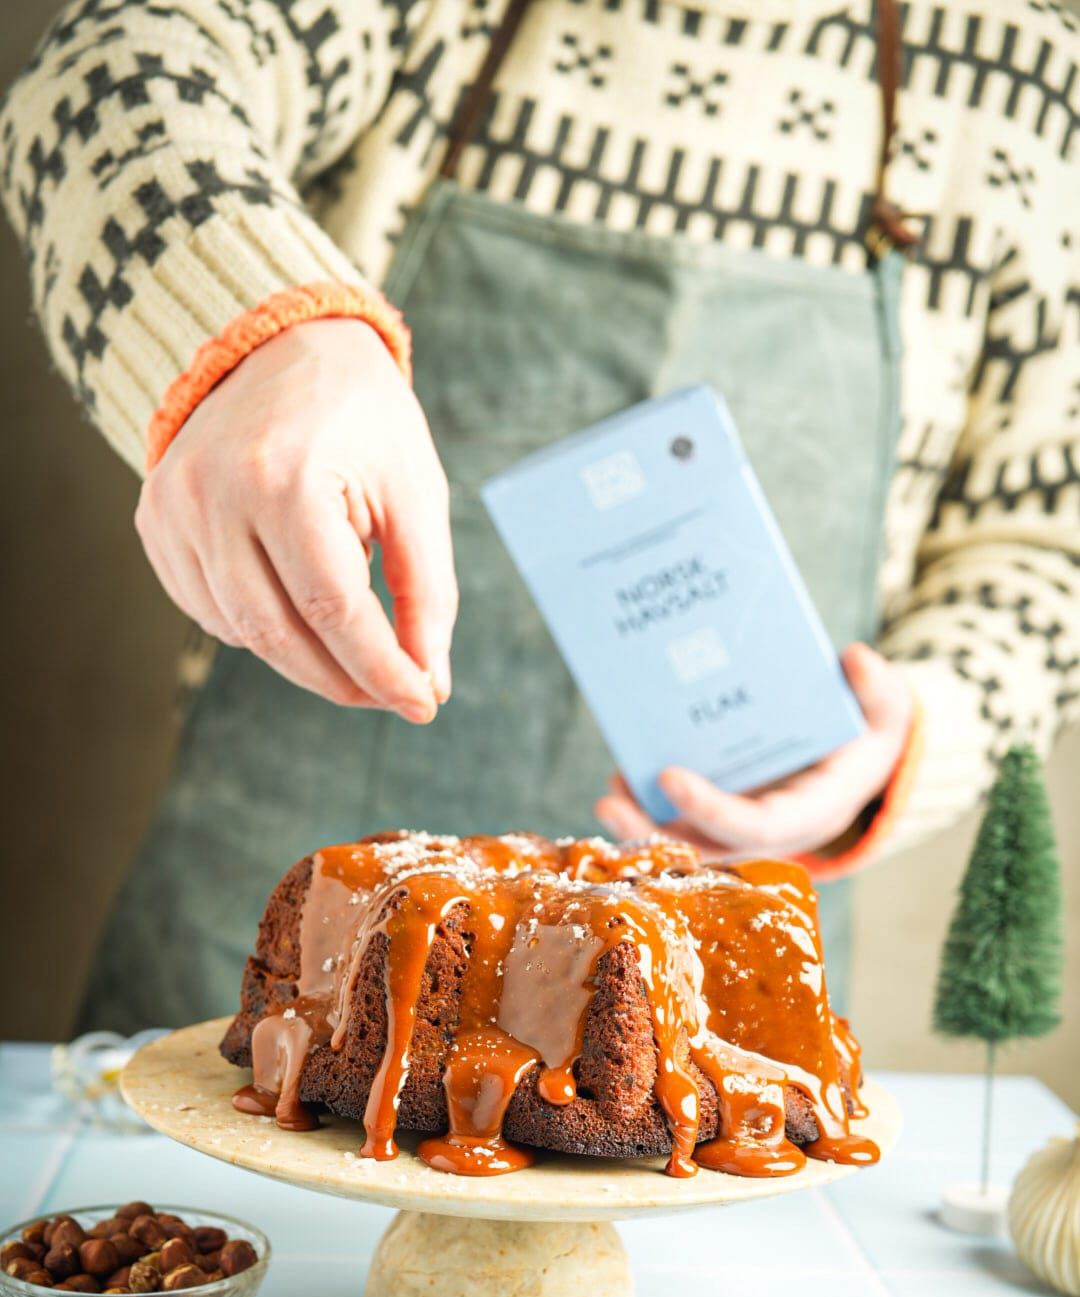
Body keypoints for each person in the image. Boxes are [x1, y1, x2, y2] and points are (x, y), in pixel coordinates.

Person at [2, 0, 1077, 1030]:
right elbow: (104, 71)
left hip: (710, 1006)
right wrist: (261, 333)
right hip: (263, 955)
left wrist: (909, 734)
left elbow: (1045, 543)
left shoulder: (1028, 72)